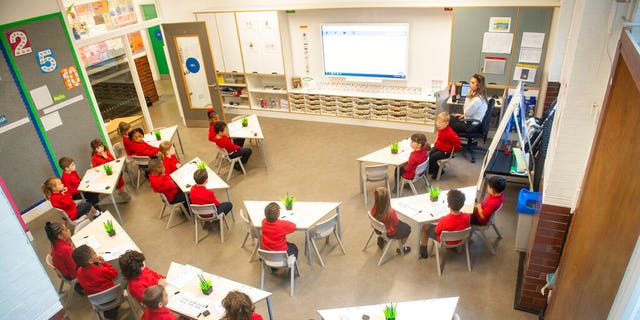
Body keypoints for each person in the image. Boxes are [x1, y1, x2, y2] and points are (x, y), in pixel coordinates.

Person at [419, 189, 471, 259]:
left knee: (425, 227)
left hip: (445, 241)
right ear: (462, 204)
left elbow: (436, 231)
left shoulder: (444, 220)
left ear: (448, 205)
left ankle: (423, 251)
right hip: (460, 240)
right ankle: (453, 247)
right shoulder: (467, 216)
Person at [72, 245, 119, 319]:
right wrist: (104, 263)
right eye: (94, 253)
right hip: (112, 295)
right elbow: (114, 274)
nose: (95, 253)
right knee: (124, 278)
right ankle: (112, 310)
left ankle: (109, 312)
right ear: (90, 261)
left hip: (96, 300)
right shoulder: (101, 270)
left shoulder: (79, 272)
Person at [44, 221, 84, 295]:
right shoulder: (65, 250)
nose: (68, 230)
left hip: (63, 273)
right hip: (72, 274)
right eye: (66, 230)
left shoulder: (55, 244)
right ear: (60, 236)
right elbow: (73, 268)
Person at [371, 187, 411, 255]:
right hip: (390, 232)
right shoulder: (391, 213)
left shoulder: (374, 208)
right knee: (407, 228)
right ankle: (401, 248)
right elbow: (396, 222)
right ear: (387, 200)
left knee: (388, 225)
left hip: (378, 229)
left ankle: (382, 238)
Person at [428, 112, 461, 178]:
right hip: (439, 147)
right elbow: (439, 138)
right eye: (437, 122)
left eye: (440, 123)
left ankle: (439, 171)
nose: (438, 125)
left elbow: (458, 142)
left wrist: (454, 152)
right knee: (428, 154)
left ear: (446, 123)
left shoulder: (449, 133)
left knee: (432, 158)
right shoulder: (441, 128)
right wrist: (435, 145)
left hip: (445, 151)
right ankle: (431, 169)